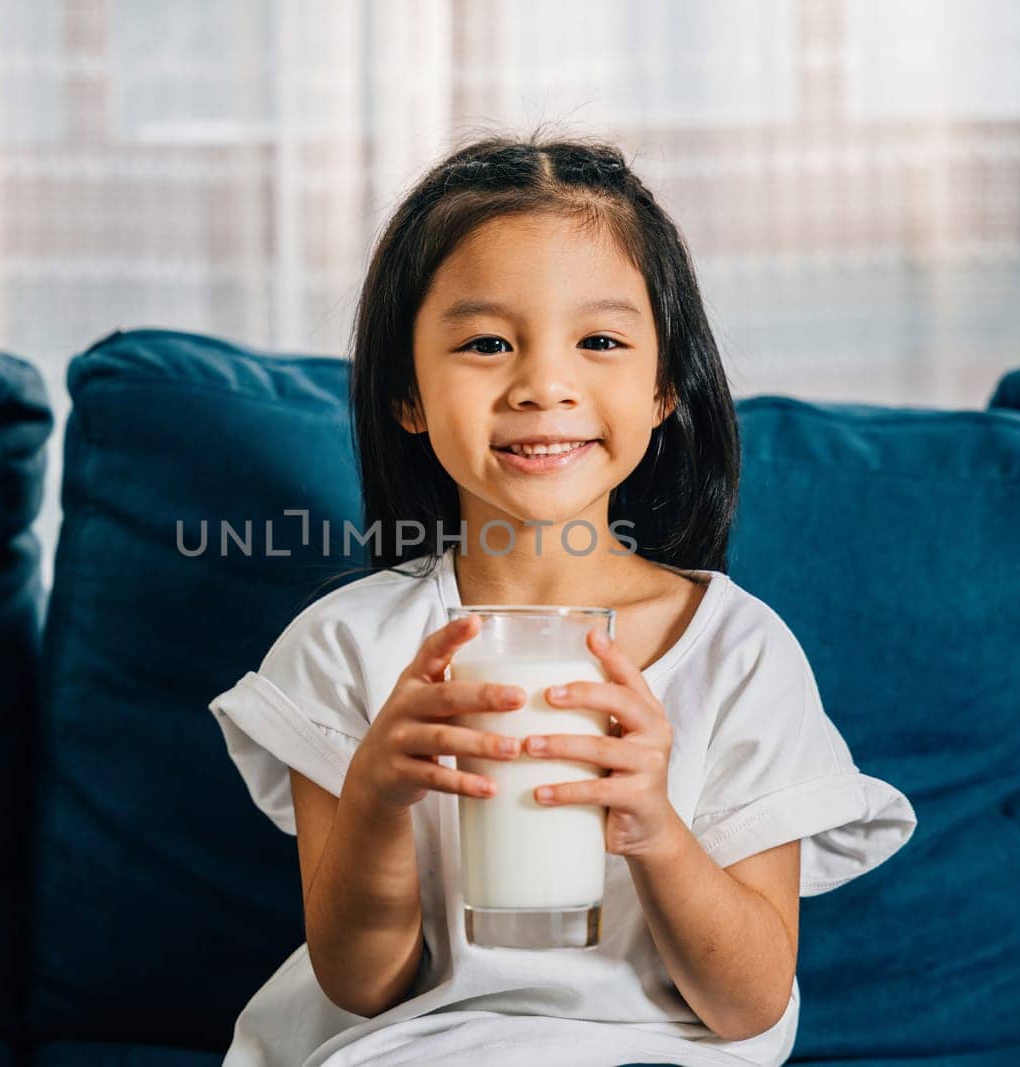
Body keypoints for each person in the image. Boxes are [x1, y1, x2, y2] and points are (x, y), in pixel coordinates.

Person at [208, 131, 917, 1067]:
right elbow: (363, 982)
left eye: (601, 341)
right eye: (487, 342)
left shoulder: (738, 653)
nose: (544, 385)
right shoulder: (350, 648)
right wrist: (378, 794)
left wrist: (656, 826)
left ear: (665, 386)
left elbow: (747, 1003)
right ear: (407, 394)